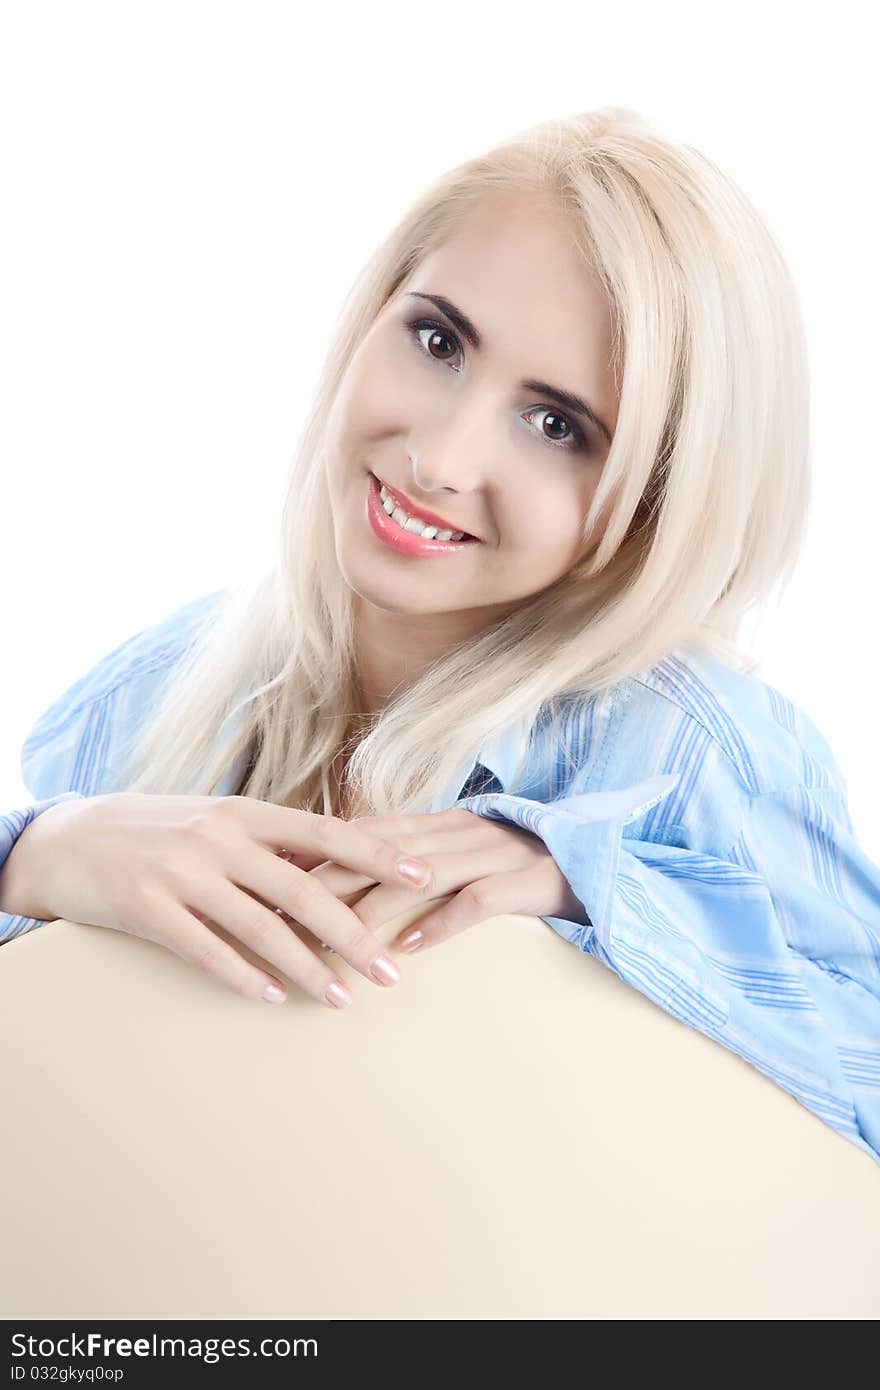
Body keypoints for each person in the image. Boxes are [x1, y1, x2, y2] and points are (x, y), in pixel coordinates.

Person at [1, 106, 878, 1166]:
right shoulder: (144, 693)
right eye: (438, 341)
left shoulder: (700, 753)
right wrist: (29, 859)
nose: (440, 458)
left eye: (557, 424)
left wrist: (598, 884)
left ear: (656, 500)